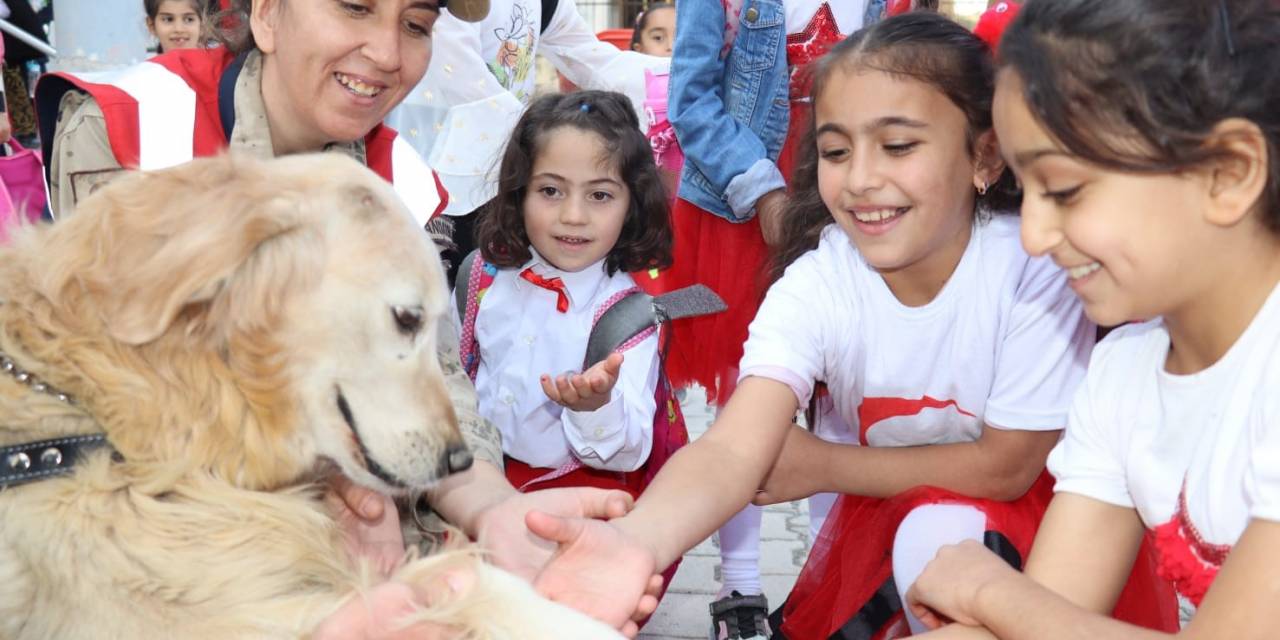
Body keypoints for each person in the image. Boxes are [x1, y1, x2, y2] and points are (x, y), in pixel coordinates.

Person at [526, 12, 1178, 640]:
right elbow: (733, 447)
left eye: (898, 146)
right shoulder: (821, 280)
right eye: (836, 150)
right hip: (902, 523)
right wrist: (635, 541)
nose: (862, 180)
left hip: (1056, 538)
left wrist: (826, 464)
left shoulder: (1032, 263)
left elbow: (1006, 468)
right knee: (926, 537)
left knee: (938, 534)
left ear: (983, 155)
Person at [33, 0, 659, 636]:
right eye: (354, 7)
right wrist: (343, 485)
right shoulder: (133, 126)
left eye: (414, 25)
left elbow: (435, 384)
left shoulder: (402, 180)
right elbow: (131, 394)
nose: (387, 54)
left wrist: (495, 510)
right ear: (268, 16)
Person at [899, 1, 1280, 638]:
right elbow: (1048, 611)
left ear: (1226, 172)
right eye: (1025, 190)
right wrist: (997, 608)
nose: (1034, 236)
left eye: (1066, 190)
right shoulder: (1125, 373)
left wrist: (990, 588)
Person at [659, 1, 871, 633]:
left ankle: (838, 584)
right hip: (746, 204)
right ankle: (741, 591)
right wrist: (765, 192)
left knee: (847, 398)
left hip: (856, 193)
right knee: (753, 393)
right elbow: (691, 97)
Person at [457, 90, 677, 501]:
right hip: (477, 489)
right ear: (519, 191)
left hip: (578, 501)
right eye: (551, 191)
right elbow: (452, 376)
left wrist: (596, 406)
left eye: (599, 195)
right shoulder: (479, 278)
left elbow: (629, 452)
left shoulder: (626, 317)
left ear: (632, 205)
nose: (573, 215)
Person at [384, 0, 669, 284]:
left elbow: (589, 57)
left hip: (504, 178)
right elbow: (458, 74)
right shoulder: (456, 7)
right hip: (437, 178)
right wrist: (545, 141)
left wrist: (677, 79)